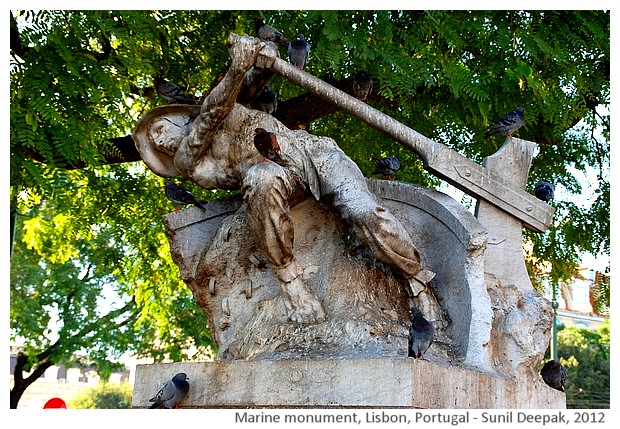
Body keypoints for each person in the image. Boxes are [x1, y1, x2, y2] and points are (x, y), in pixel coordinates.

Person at [133, 35, 440, 325]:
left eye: (159, 129)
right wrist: (238, 65)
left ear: (177, 117)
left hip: (314, 153)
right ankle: (291, 283)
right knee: (259, 178)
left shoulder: (230, 107)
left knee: (363, 211)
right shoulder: (193, 162)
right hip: (276, 176)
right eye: (154, 145)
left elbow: (251, 83)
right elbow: (211, 114)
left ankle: (415, 278)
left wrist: (262, 54)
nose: (159, 142)